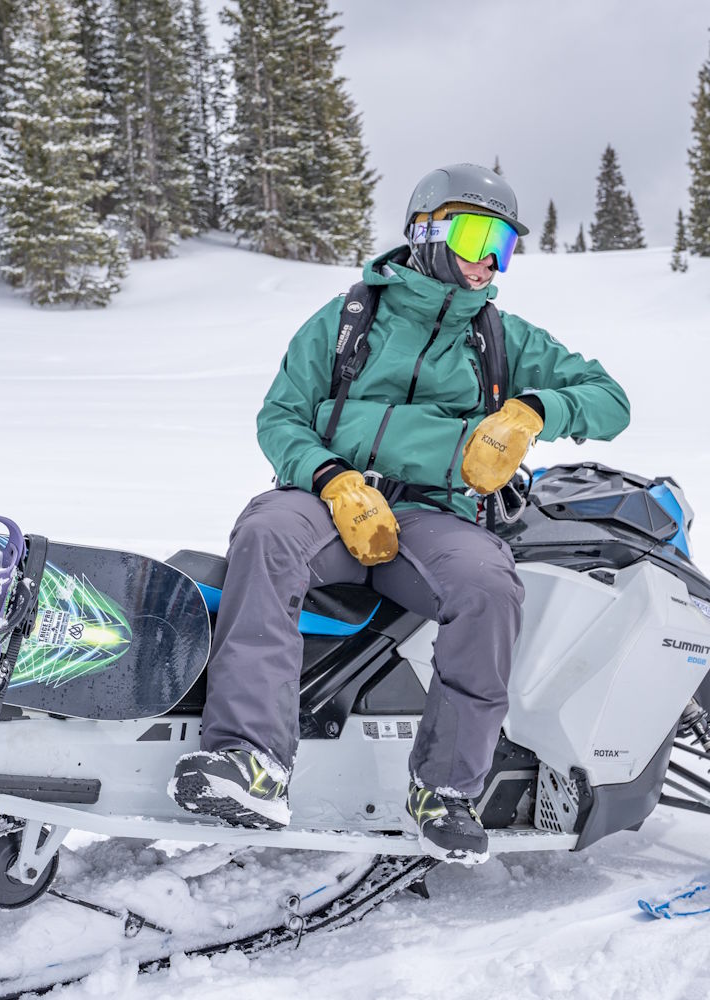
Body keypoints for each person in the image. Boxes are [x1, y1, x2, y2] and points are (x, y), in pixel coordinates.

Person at [170, 163, 629, 864]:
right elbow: (281, 417)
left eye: (503, 246)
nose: (487, 261)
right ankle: (249, 760)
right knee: (266, 534)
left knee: (489, 587)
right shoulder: (346, 322)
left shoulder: (500, 338)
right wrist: (331, 478)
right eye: (476, 237)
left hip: (432, 516)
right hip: (326, 502)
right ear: (426, 231)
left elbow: (610, 400)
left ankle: (445, 789)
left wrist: (536, 409)